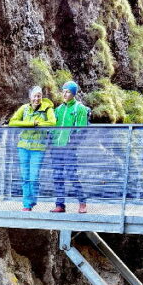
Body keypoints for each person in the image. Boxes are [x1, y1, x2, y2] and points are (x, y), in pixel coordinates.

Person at [8, 86, 56, 211]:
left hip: (38, 148)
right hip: (23, 147)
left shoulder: (47, 109)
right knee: (25, 176)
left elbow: (52, 123)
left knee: (34, 177)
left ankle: (32, 200)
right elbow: (12, 122)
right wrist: (31, 123)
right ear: (30, 97)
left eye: (39, 95)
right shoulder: (24, 109)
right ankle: (26, 204)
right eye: (34, 96)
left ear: (42, 97)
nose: (36, 98)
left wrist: (38, 124)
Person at [51, 81, 89, 214]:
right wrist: (51, 142)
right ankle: (60, 204)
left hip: (69, 148)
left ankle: (82, 202)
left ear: (73, 93)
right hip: (56, 148)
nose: (65, 94)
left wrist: (72, 144)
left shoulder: (79, 108)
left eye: (68, 91)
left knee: (71, 174)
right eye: (64, 91)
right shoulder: (58, 109)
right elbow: (52, 127)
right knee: (57, 175)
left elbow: (82, 129)